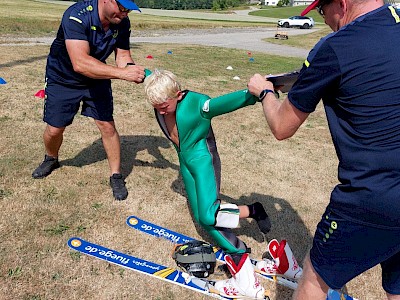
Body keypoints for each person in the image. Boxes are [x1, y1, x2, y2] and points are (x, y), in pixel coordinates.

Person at [247, 1, 400, 299]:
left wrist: (265, 92)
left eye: (322, 12)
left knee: (315, 280)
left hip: (373, 194)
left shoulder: (334, 47)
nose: (325, 21)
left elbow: (282, 126)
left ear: (340, 5)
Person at [143, 69, 272, 299]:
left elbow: (227, 103)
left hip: (204, 162)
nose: (160, 111)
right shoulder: (161, 94)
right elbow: (149, 74)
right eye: (156, 107)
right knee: (205, 218)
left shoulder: (198, 105)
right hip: (185, 163)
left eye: (164, 106)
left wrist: (261, 93)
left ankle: (238, 249)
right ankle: (252, 210)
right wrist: (133, 71)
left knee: (208, 215)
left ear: (178, 94)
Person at [32, 0, 146, 201]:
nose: (125, 14)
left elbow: (123, 55)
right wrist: (121, 74)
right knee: (55, 129)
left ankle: (116, 175)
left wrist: (130, 68)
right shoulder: (76, 15)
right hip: (63, 78)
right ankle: (51, 158)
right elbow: (80, 63)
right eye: (122, 8)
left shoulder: (121, 22)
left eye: (129, 10)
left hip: (97, 76)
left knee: (107, 125)